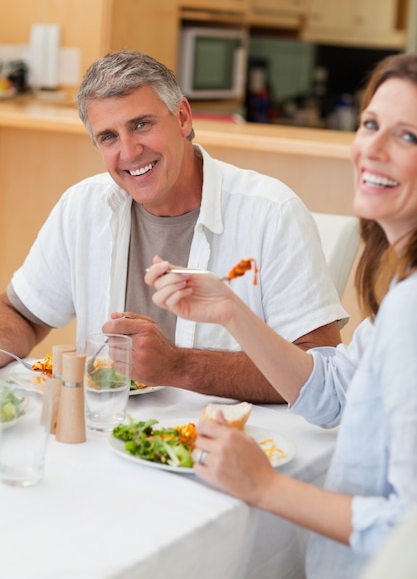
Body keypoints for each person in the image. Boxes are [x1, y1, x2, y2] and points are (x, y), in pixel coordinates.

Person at [144, 51, 417, 578]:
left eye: (408, 137)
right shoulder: (401, 290)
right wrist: (231, 311)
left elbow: (408, 529)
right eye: (370, 125)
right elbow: (333, 391)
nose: (373, 150)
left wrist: (263, 485)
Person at [0, 50, 346, 403]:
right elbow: (21, 315)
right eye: (109, 137)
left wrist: (180, 366)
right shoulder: (82, 207)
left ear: (182, 118)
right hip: (102, 439)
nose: (130, 151)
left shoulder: (272, 213)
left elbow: (321, 373)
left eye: (141, 125)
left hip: (228, 444)